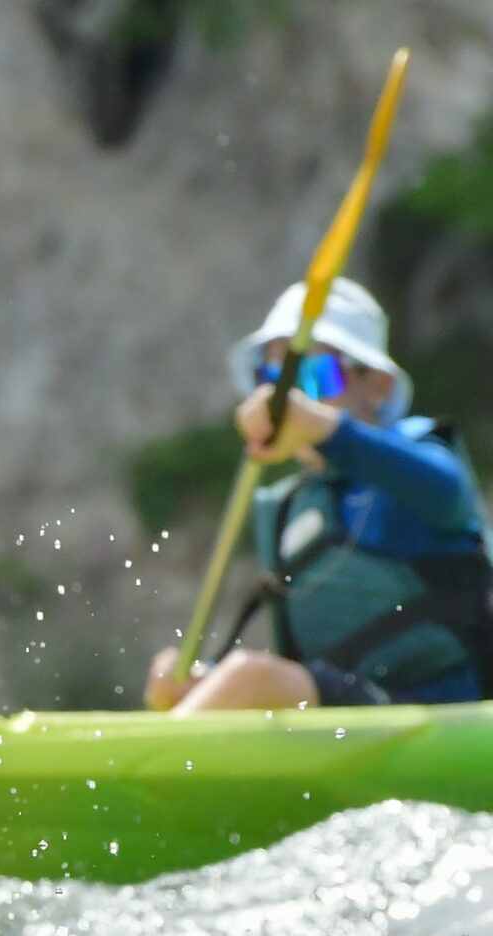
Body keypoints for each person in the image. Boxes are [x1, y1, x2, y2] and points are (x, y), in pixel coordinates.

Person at [147, 279, 492, 714]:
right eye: (272, 378)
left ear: (378, 387)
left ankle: (141, 774)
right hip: (345, 720)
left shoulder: (417, 462)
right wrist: (202, 675)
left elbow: (449, 491)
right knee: (210, 678)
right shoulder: (287, 508)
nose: (292, 398)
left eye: (316, 375)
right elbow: (300, 665)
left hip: (446, 721)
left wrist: (322, 427)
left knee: (251, 677)